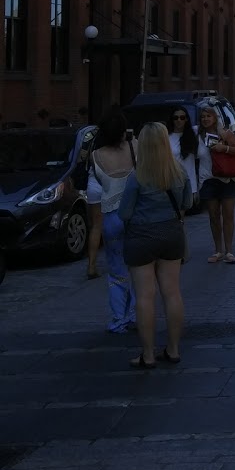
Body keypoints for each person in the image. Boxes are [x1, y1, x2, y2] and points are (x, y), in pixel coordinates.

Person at [118, 122, 191, 368]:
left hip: (141, 237)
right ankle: (173, 349)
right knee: (172, 292)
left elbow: (124, 213)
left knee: (145, 297)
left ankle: (147, 354)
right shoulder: (179, 173)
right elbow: (187, 203)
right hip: (171, 233)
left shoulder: (136, 177)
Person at [88, 107, 137, 333]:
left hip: (111, 216)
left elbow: (99, 182)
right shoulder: (134, 148)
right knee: (139, 268)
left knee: (117, 271)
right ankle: (137, 314)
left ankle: (119, 318)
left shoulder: (96, 156)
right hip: (135, 216)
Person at [197, 103, 235, 264]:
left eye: (208, 116)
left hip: (227, 179)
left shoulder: (225, 134)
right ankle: (218, 250)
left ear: (214, 117)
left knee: (228, 215)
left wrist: (223, 148)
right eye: (203, 116)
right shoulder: (198, 135)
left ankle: (229, 252)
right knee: (213, 216)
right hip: (208, 180)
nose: (205, 119)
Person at [168, 106, 206, 210]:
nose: (179, 120)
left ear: (186, 119)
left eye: (182, 117)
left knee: (183, 218)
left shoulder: (193, 134)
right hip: (172, 183)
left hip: (189, 184)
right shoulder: (167, 137)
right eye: (175, 118)